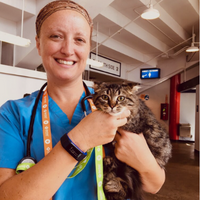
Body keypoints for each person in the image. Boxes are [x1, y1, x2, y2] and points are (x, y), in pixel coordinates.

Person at [0, 1, 165, 199]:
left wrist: (144, 161)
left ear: (88, 48)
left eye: (79, 39)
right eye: (56, 36)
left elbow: (155, 184)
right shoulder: (12, 115)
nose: (68, 50)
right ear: (38, 44)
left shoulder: (117, 109)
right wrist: (79, 140)